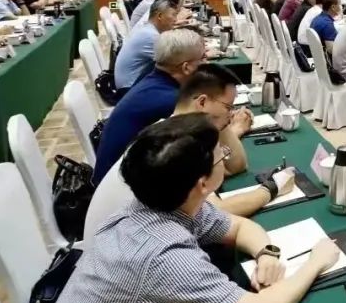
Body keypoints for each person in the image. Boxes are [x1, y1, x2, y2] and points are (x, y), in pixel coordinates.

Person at [47, 114, 341, 303]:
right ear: (203, 183)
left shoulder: (161, 202)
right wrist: (316, 262)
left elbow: (239, 227)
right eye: (222, 155)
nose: (225, 156)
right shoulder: (163, 258)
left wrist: (267, 252)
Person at [85, 66, 272, 236]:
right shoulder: (175, 143)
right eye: (228, 107)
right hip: (124, 240)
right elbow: (218, 212)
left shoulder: (177, 127)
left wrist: (222, 124)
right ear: (202, 102)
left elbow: (237, 165)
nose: (231, 114)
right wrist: (271, 188)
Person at [93, 29, 209, 184]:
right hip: (121, 189)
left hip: (115, 178)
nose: (207, 63)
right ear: (186, 67)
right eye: (203, 58)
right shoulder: (170, 102)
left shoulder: (150, 75)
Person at [114, 0, 178, 91]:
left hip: (130, 83)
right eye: (173, 15)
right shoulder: (150, 36)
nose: (176, 20)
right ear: (160, 16)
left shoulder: (147, 29)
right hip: (128, 89)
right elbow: (174, 62)